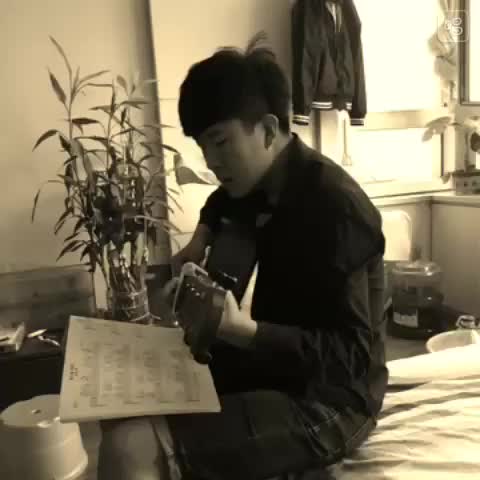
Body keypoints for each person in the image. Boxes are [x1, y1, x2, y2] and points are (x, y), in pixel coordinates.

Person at [98, 39, 388, 480]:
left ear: (268, 130)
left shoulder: (338, 208)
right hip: (270, 367)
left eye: (220, 142)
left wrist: (243, 330)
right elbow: (220, 202)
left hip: (332, 400)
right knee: (122, 399)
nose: (212, 162)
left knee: (130, 447)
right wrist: (200, 237)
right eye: (203, 146)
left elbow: (352, 356)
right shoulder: (251, 183)